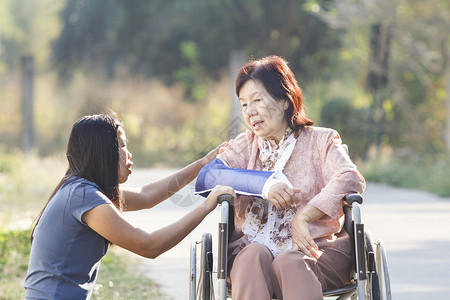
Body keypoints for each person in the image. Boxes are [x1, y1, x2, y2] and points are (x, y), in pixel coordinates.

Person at [199, 55, 366, 299]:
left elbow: (350, 177)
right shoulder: (244, 146)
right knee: (253, 255)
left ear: (285, 100)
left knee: (289, 262)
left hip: (316, 252)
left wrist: (305, 216)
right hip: (251, 252)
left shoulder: (321, 140)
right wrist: (264, 186)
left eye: (257, 100)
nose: (250, 111)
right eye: (244, 104)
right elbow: (208, 176)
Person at [23, 113, 235, 299]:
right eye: (122, 145)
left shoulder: (78, 190)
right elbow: (149, 246)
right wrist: (206, 206)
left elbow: (146, 196)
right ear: (104, 151)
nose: (129, 153)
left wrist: (203, 164)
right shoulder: (83, 196)